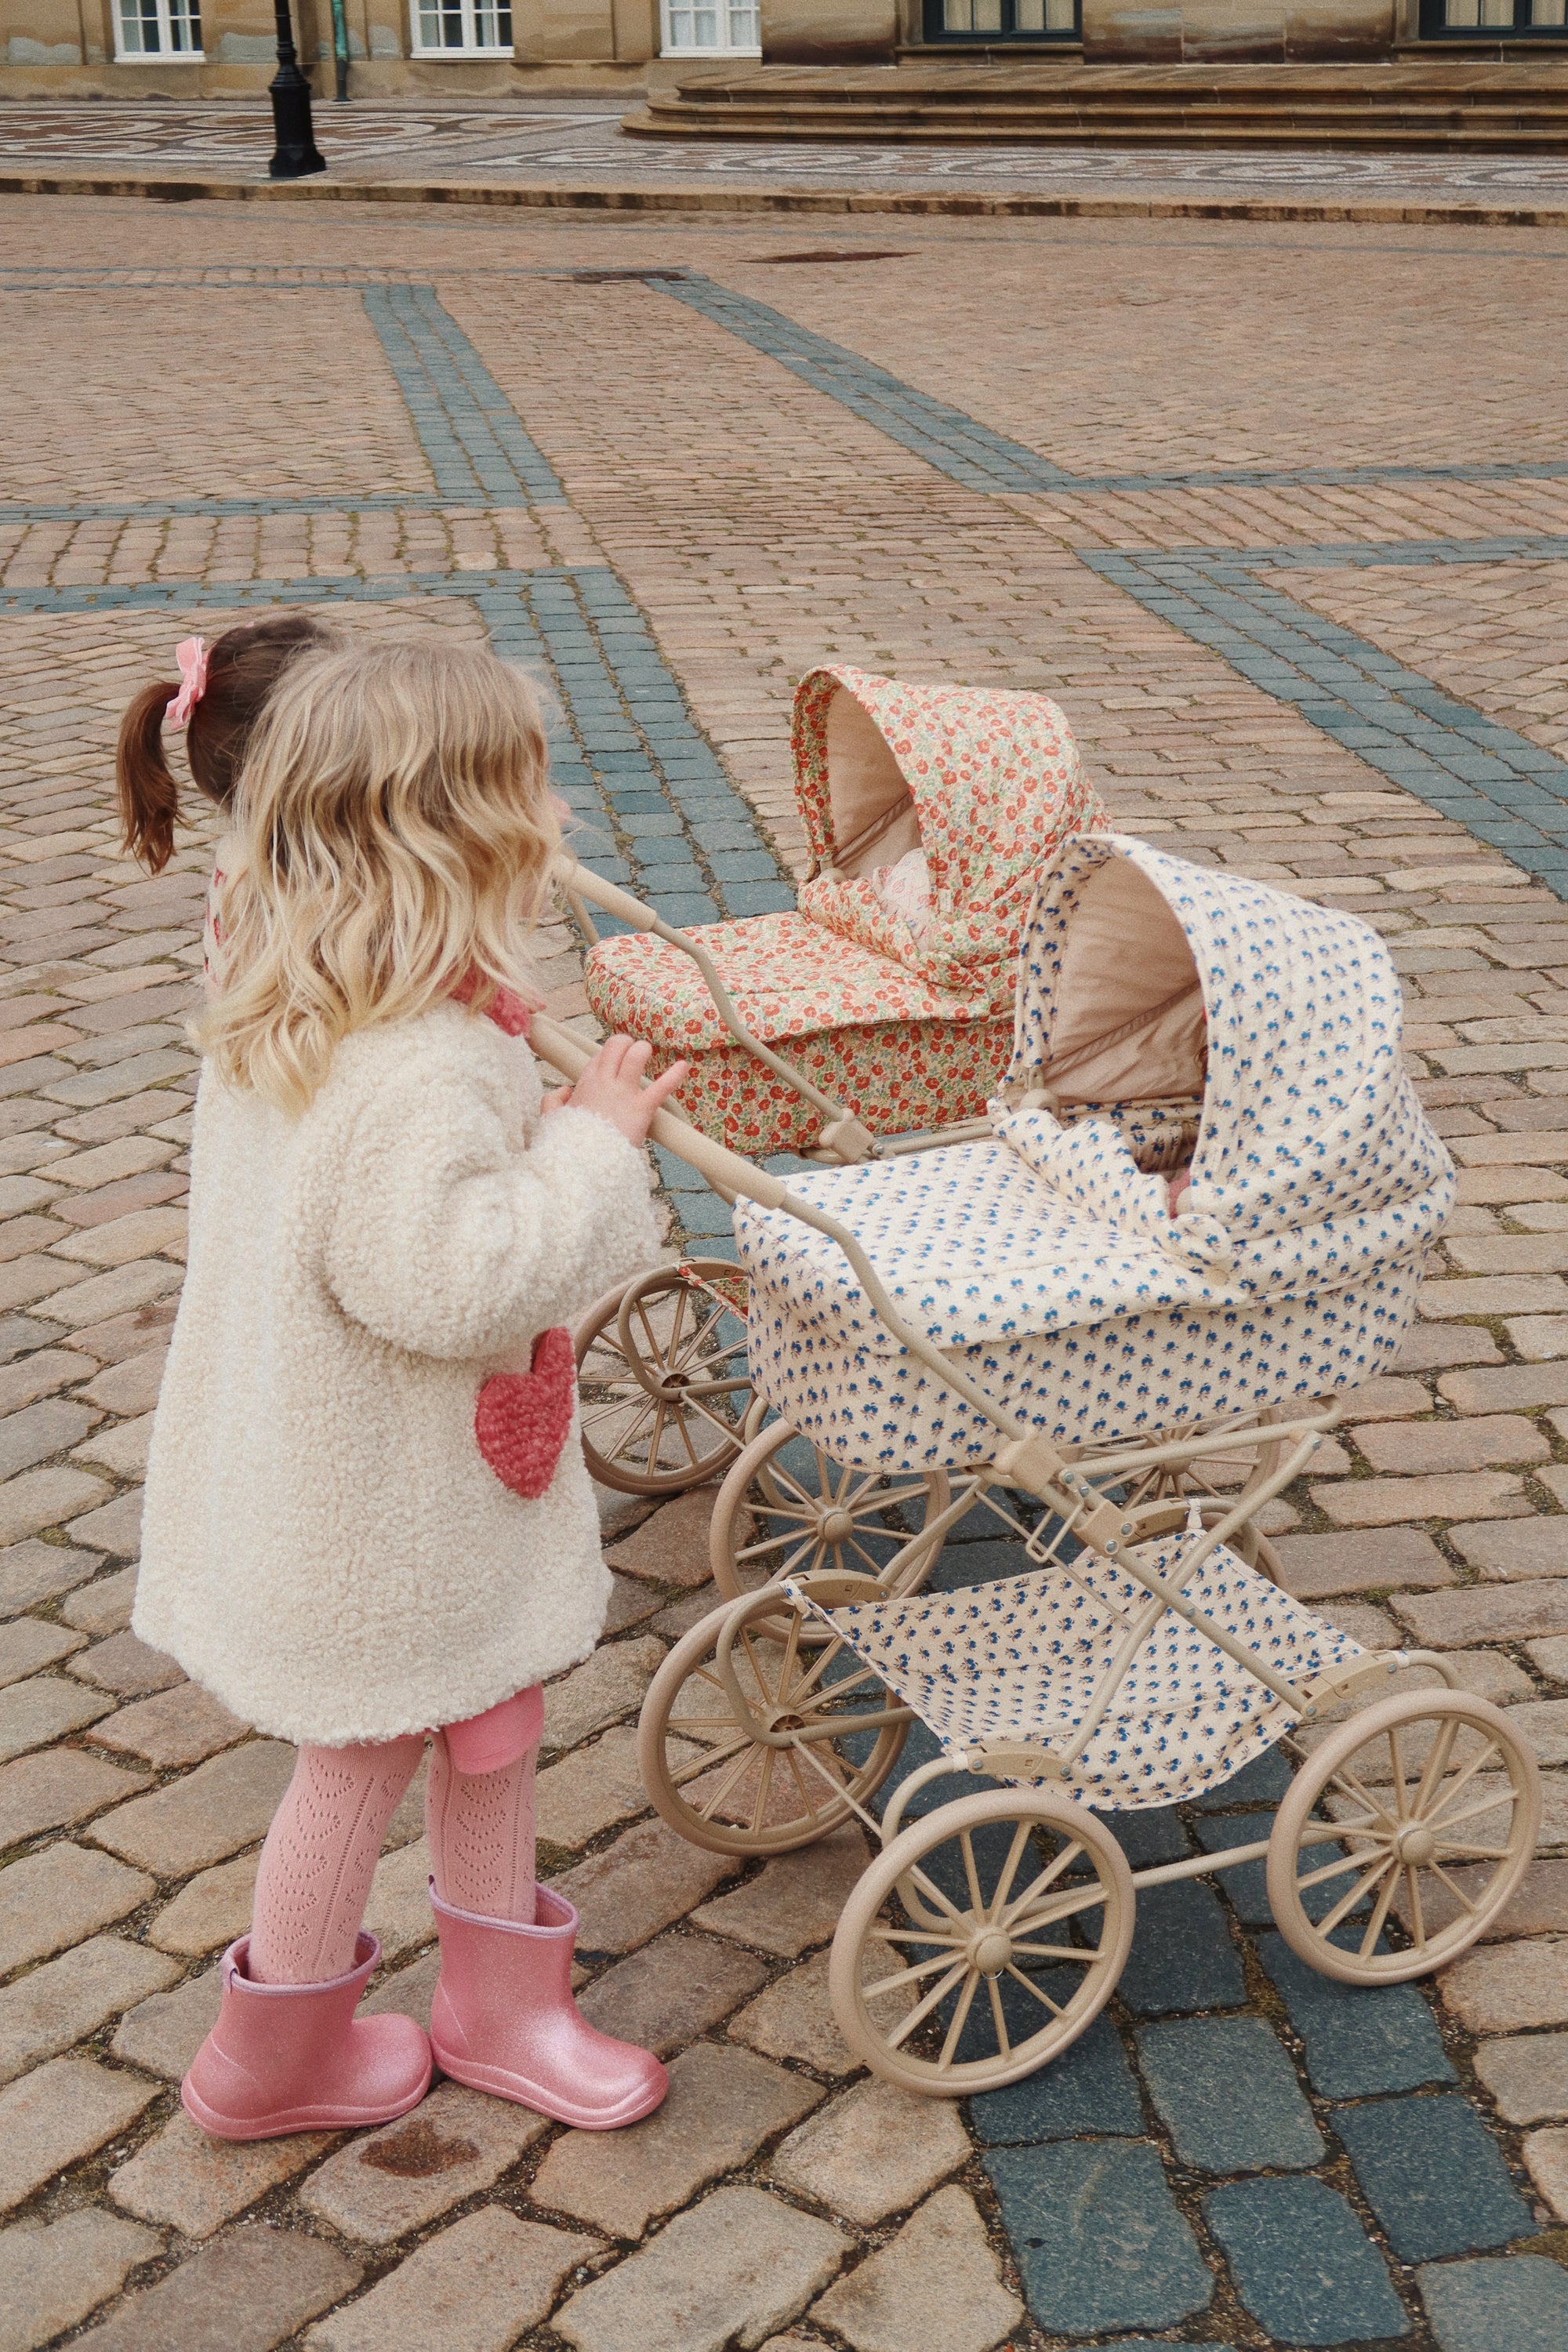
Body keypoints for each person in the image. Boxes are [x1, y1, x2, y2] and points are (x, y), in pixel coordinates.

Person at [128, 630, 687, 2142]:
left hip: (392, 1486)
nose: (555, 819)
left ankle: (494, 2008)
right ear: (456, 836)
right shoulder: (412, 1065)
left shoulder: (290, 949)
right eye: (532, 794)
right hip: (390, 1504)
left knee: (488, 1711)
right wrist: (593, 1143)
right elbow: (455, 1280)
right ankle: (280, 2058)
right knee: (366, 1755)